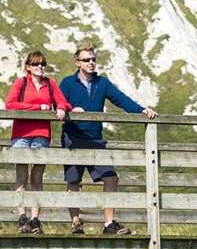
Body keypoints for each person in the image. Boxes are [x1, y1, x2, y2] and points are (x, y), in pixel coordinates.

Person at [58, 44, 157, 235]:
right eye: (86, 60)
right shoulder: (68, 83)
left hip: (95, 140)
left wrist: (141, 110)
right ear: (77, 62)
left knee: (111, 177)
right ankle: (76, 223)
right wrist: (70, 109)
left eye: (93, 59)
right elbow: (59, 102)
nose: (91, 63)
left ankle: (109, 224)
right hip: (73, 138)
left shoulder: (102, 83)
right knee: (73, 180)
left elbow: (120, 99)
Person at [4, 50, 71, 234]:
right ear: (28, 67)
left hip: (42, 134)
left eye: (43, 64)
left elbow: (63, 102)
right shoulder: (21, 83)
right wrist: (38, 108)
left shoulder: (50, 84)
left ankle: (35, 219)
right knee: (21, 176)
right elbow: (10, 104)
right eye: (36, 64)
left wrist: (62, 108)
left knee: (37, 177)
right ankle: (22, 217)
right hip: (21, 134)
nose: (40, 67)